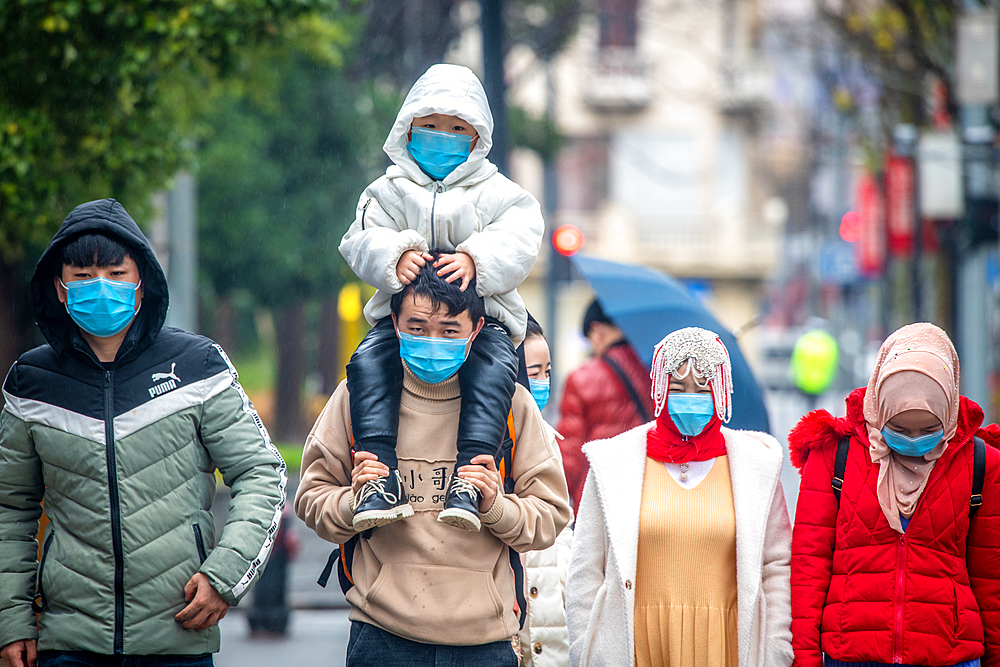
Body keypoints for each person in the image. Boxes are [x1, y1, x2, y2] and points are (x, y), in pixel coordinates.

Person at [0, 199, 286, 667]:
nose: (101, 288)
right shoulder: (32, 382)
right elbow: (10, 509)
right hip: (68, 644)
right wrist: (10, 621)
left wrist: (226, 573)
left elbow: (262, 472)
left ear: (140, 285)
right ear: (59, 287)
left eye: (116, 274)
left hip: (178, 634)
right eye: (83, 276)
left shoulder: (198, 366)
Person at [294, 260, 571, 667]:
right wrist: (354, 502)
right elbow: (311, 497)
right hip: (382, 638)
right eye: (418, 328)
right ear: (395, 322)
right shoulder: (357, 397)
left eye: (449, 331)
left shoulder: (512, 405)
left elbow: (551, 514)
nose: (433, 341)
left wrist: (495, 505)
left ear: (475, 330)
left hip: (485, 643)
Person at [338, 63, 544, 533]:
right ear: (406, 130)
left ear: (477, 138)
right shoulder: (385, 191)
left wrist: (476, 259)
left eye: (456, 128)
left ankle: (472, 474)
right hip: (401, 323)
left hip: (483, 321)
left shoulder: (499, 193)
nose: (441, 136)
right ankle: (377, 476)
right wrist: (394, 255)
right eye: (429, 126)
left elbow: (521, 238)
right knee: (368, 366)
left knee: (494, 373)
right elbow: (359, 239)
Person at [567, 327, 793, 667]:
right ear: (658, 389)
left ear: (721, 392)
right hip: (636, 645)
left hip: (728, 646)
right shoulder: (613, 462)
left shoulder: (757, 465)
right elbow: (585, 568)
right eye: (678, 387)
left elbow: (776, 565)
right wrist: (589, 647)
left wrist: (776, 648)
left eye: (704, 388)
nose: (692, 397)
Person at [789, 323, 1000, 667]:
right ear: (879, 408)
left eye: (929, 430)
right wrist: (806, 658)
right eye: (899, 429)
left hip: (950, 656)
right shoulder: (834, 455)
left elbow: (992, 581)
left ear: (947, 415)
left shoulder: (982, 463)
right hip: (851, 655)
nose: (914, 441)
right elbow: (808, 567)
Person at [556, 299, 654, 509]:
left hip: (599, 494)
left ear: (597, 330)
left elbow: (570, 453)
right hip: (648, 491)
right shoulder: (656, 372)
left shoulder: (582, 378)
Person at [517, 318, 573, 666]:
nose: (542, 383)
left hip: (551, 623)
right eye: (532, 372)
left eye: (547, 373)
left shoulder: (549, 437)